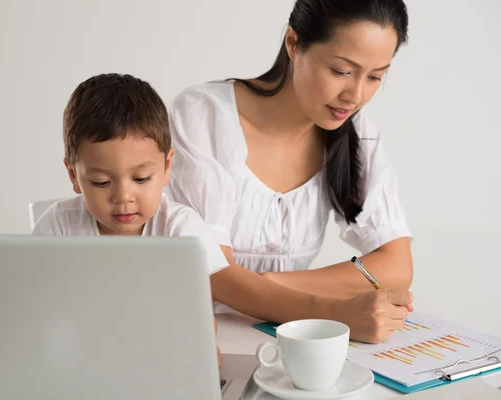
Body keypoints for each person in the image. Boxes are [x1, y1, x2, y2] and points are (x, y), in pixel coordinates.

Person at [167, 0, 414, 343]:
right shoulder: (204, 115)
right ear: (293, 43)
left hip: (288, 343)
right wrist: (333, 310)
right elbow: (211, 273)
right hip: (195, 339)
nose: (354, 96)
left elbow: (398, 268)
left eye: (375, 77)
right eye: (342, 71)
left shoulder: (359, 136)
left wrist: (269, 284)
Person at [32, 73, 227, 366]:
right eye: (100, 182)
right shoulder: (59, 225)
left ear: (166, 166)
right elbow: (38, 309)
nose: (123, 196)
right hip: (82, 364)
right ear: (74, 175)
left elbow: (200, 319)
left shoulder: (181, 230)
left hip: (160, 364)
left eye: (141, 178)